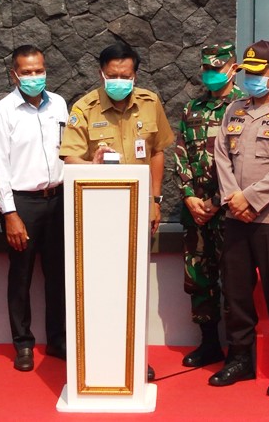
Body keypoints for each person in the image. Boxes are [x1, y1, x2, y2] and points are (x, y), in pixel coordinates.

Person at [59, 42, 175, 381]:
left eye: (125, 75)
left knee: (136, 285)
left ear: (135, 74)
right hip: (99, 218)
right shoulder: (86, 107)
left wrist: (155, 202)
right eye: (112, 75)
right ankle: (102, 354)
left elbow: (157, 152)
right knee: (101, 287)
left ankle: (135, 355)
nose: (119, 80)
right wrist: (90, 164)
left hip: (139, 212)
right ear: (101, 73)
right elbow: (69, 157)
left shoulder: (150, 103)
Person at [212, 40, 269, 396]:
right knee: (235, 291)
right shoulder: (234, 109)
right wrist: (231, 198)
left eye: (257, 74)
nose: (249, 79)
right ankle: (239, 358)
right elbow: (221, 155)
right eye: (246, 73)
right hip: (235, 216)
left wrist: (249, 199)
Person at [0, 45, 69, 372]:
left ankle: (59, 340)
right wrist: (10, 213)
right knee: (20, 275)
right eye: (27, 72)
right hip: (23, 203)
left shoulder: (59, 104)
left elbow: (69, 149)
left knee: (59, 274)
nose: (35, 77)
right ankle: (22, 343)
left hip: (58, 199)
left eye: (39, 70)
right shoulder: (2, 111)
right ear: (14, 74)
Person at [173, 42, 243, 368]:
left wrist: (215, 201)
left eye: (218, 68)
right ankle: (210, 344)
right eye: (207, 68)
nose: (211, 74)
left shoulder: (245, 106)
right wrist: (188, 195)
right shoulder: (192, 108)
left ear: (233, 68)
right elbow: (181, 155)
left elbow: (245, 163)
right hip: (196, 213)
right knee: (199, 278)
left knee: (234, 280)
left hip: (230, 211)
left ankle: (240, 351)